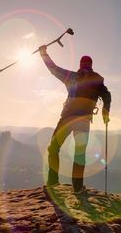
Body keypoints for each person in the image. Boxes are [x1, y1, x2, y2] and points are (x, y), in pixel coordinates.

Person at [39, 45, 111, 192]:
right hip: (83, 120)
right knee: (80, 154)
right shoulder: (97, 80)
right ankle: (77, 187)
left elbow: (53, 68)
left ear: (80, 65)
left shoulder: (71, 76)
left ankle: (53, 182)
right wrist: (105, 111)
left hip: (67, 118)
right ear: (91, 66)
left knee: (54, 148)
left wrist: (43, 53)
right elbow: (106, 95)